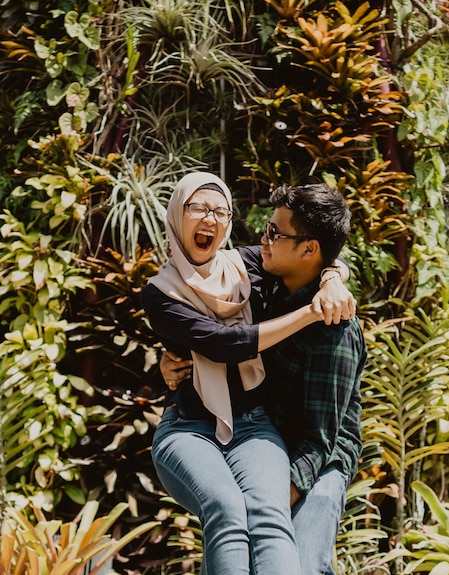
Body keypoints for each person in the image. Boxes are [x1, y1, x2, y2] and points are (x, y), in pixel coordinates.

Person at [141, 172, 355, 575]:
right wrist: (309, 310)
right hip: (189, 426)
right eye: (198, 208)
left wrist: (332, 278)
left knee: (270, 522)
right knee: (225, 507)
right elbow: (225, 342)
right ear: (176, 215)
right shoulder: (159, 293)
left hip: (263, 429)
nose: (210, 218)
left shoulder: (246, 265)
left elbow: (323, 253)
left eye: (220, 210)